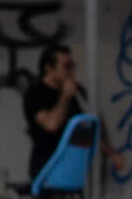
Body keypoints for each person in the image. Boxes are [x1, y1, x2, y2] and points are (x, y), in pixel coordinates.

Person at [23, 43, 88, 183]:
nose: (70, 72)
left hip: (71, 168)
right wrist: (65, 96)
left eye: (72, 66)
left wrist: (111, 154)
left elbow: (86, 128)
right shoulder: (35, 94)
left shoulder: (74, 97)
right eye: (66, 66)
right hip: (46, 168)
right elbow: (51, 125)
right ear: (49, 68)